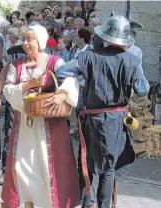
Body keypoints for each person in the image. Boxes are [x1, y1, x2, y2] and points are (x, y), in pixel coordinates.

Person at [56, 15, 149, 208]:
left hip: (92, 119)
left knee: (86, 164)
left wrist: (85, 76)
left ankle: (86, 203)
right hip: (116, 121)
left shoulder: (88, 56)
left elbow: (63, 71)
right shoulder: (132, 60)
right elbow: (142, 89)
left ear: (105, 36)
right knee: (108, 169)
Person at [1, 24, 80, 208]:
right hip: (24, 128)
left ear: (40, 41)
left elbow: (72, 78)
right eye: (24, 39)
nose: (26, 43)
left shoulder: (55, 62)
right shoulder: (17, 65)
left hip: (51, 126)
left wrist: (61, 94)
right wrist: (28, 85)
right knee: (23, 168)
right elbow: (8, 89)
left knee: (48, 168)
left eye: (30, 39)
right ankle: (28, 204)